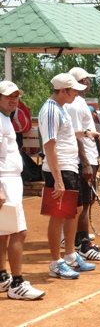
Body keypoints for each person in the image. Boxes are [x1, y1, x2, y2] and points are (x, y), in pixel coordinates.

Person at [38, 73, 97, 279]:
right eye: (74, 91)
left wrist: (86, 134)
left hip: (69, 167)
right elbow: (49, 145)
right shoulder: (51, 110)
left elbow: (66, 134)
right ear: (63, 91)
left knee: (74, 210)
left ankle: (71, 256)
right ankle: (56, 263)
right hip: (60, 169)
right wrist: (58, 179)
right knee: (59, 215)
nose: (77, 94)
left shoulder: (61, 109)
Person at [0, 80, 45, 300]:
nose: (14, 99)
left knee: (4, 232)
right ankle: (17, 283)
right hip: (5, 182)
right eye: (9, 95)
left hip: (10, 181)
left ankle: (1, 276)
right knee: (19, 231)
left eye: (16, 96)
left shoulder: (5, 118)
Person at [65, 67, 100, 260]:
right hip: (83, 160)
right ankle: (84, 245)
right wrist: (85, 162)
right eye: (85, 80)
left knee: (83, 204)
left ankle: (78, 241)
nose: (88, 83)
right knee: (83, 205)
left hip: (88, 158)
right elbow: (76, 135)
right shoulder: (76, 103)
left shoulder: (78, 102)